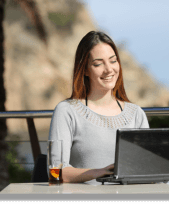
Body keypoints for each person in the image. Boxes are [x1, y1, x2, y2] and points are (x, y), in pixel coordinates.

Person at [47, 31, 150, 183]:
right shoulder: (67, 111)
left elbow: (148, 168)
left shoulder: (136, 114)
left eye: (113, 61)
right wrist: (99, 172)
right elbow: (55, 173)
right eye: (98, 64)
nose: (109, 69)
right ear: (85, 69)